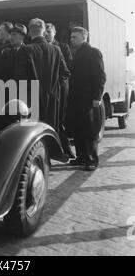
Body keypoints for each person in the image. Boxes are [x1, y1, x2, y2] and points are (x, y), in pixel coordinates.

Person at [66, 26, 106, 171]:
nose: (71, 39)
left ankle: (91, 160)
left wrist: (97, 96)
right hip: (76, 99)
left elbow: (100, 77)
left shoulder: (93, 53)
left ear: (84, 37)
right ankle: (81, 157)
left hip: (88, 99)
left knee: (89, 130)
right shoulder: (76, 53)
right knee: (78, 129)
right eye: (71, 37)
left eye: (74, 37)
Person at [27, 18, 70, 134]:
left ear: (30, 32)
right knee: (50, 131)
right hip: (53, 99)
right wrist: (54, 88)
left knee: (32, 134)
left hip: (32, 99)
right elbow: (65, 73)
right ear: (44, 31)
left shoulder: (26, 50)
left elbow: (20, 78)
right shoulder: (56, 50)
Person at [0, 23, 34, 131]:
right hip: (5, 95)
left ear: (22, 37)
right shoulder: (4, 51)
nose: (11, 37)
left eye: (14, 35)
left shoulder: (30, 52)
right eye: (10, 34)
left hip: (23, 97)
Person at [45, 23, 74, 158]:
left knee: (60, 118)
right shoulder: (42, 48)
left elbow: (68, 67)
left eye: (49, 31)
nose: (46, 34)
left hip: (60, 88)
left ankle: (65, 148)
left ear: (54, 33)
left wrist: (57, 82)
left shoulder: (63, 47)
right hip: (46, 89)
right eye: (45, 31)